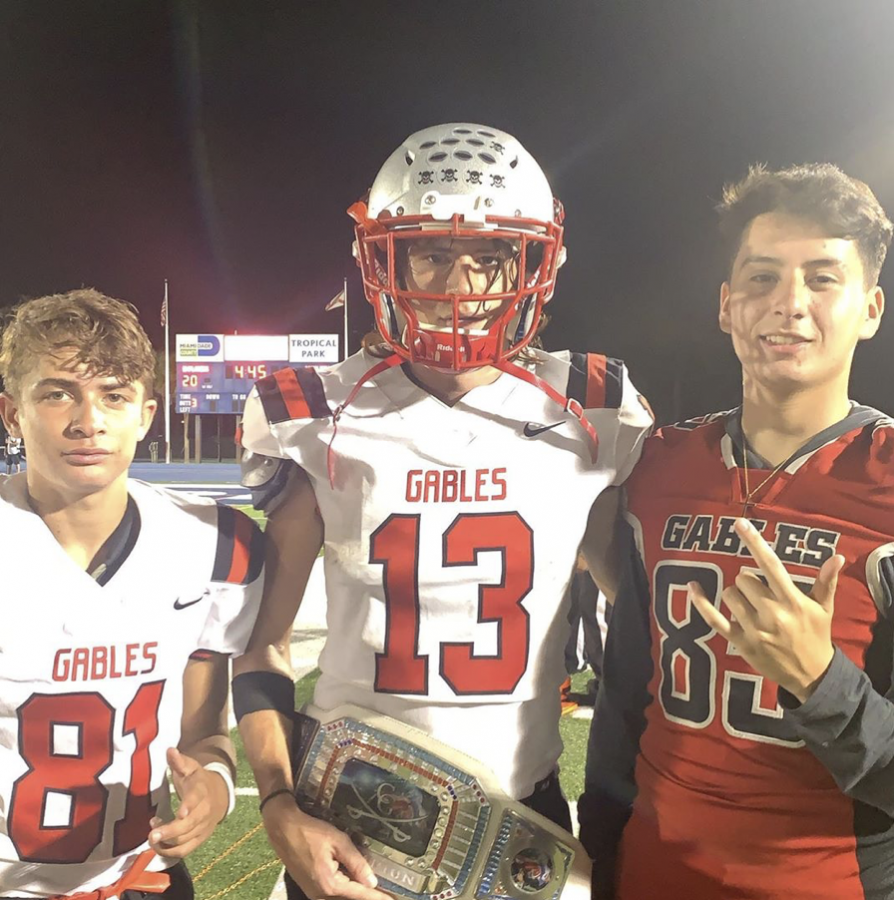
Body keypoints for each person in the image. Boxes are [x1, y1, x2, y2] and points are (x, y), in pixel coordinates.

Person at [233, 122, 653, 900]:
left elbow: (644, 629)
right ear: (382, 259)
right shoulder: (317, 413)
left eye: (490, 257)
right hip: (346, 820)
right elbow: (264, 650)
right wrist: (281, 806)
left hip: (519, 818)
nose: (460, 285)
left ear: (533, 264)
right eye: (429, 252)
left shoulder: (593, 411)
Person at [579, 163, 894, 899]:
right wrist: (599, 849)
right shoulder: (657, 467)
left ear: (871, 308)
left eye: (823, 278)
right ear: (726, 306)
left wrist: (823, 684)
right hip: (649, 876)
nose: (788, 304)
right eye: (761, 278)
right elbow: (627, 696)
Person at [0, 289, 265, 900]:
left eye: (112, 395)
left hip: (139, 882)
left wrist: (216, 787)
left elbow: (204, 736)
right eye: (57, 392)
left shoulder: (213, 545)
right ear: (12, 414)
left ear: (145, 415)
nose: (87, 420)